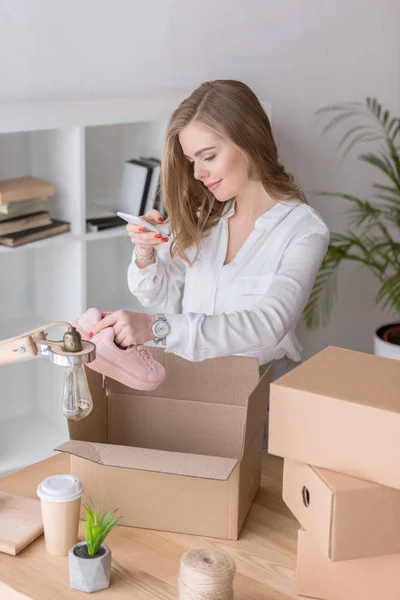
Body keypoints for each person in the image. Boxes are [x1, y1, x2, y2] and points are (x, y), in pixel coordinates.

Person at [90, 80, 330, 378]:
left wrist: (156, 327)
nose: (197, 173)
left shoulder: (303, 230)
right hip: (192, 382)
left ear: (250, 140)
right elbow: (156, 293)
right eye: (192, 160)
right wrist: (145, 251)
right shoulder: (207, 218)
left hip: (259, 390)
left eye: (208, 157)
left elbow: (269, 325)